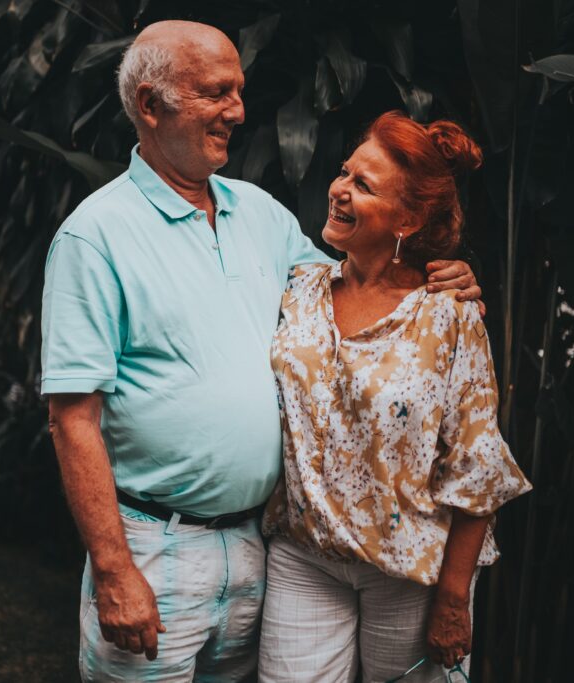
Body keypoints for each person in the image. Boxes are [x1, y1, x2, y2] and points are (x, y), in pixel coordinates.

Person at [41, 21, 483, 682]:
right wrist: (113, 568)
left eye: (238, 91)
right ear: (151, 106)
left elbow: (355, 294)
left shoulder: (261, 215)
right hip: (154, 549)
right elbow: (72, 418)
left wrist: (436, 276)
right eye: (216, 92)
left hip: (259, 549)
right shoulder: (95, 237)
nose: (239, 112)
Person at [257, 112, 532, 683]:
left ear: (407, 218)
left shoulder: (448, 314)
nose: (339, 190)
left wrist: (454, 601)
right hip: (305, 557)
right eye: (344, 173)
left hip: (412, 574)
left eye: (363, 185)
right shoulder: (300, 289)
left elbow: (476, 468)